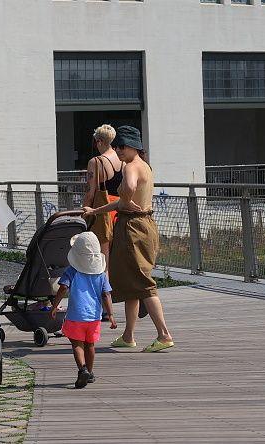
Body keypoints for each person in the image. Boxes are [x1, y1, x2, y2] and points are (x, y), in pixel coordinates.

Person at [83, 126, 174, 353]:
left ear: (134, 147)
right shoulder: (145, 166)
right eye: (117, 146)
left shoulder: (131, 167)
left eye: (122, 146)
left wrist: (125, 196)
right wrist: (95, 211)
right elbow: (121, 203)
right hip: (143, 223)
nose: (119, 150)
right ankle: (128, 335)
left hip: (133, 228)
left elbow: (129, 190)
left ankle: (164, 335)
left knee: (143, 282)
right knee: (131, 282)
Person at [50, 232, 117, 389]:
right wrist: (111, 315)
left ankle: (83, 369)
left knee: (77, 344)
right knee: (90, 345)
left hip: (75, 315)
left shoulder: (72, 271)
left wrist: (54, 306)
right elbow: (106, 294)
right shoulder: (100, 274)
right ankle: (91, 373)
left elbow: (63, 288)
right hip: (94, 316)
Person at [82, 124, 123, 274]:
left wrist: (84, 213)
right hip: (119, 210)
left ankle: (105, 295)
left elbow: (90, 192)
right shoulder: (122, 160)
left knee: (102, 259)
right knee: (116, 257)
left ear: (99, 141)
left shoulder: (96, 162)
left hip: (102, 212)